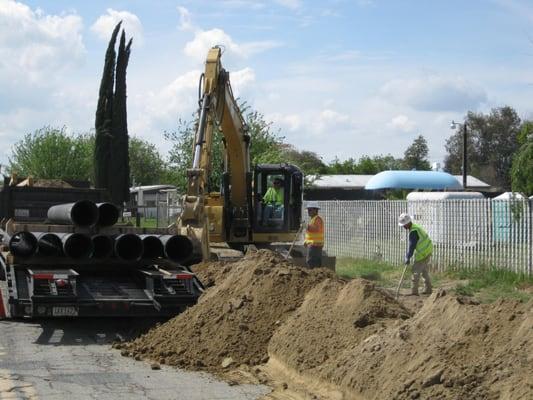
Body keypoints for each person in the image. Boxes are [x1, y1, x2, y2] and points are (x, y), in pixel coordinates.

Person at [398, 213, 433, 295]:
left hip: (423, 253)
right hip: (428, 250)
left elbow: (411, 246)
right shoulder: (415, 226)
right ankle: (428, 289)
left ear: (407, 223)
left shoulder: (413, 231)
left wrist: (408, 257)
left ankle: (414, 292)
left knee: (415, 271)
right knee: (424, 271)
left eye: (404, 225)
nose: (403, 227)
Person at [304, 202, 324, 268]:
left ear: (315, 210)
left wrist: (307, 226)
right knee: (313, 263)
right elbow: (311, 234)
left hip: (315, 245)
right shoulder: (313, 219)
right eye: (308, 210)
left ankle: (314, 276)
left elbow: (315, 229)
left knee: (311, 262)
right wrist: (306, 241)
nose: (308, 212)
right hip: (313, 244)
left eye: (310, 210)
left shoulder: (318, 219)